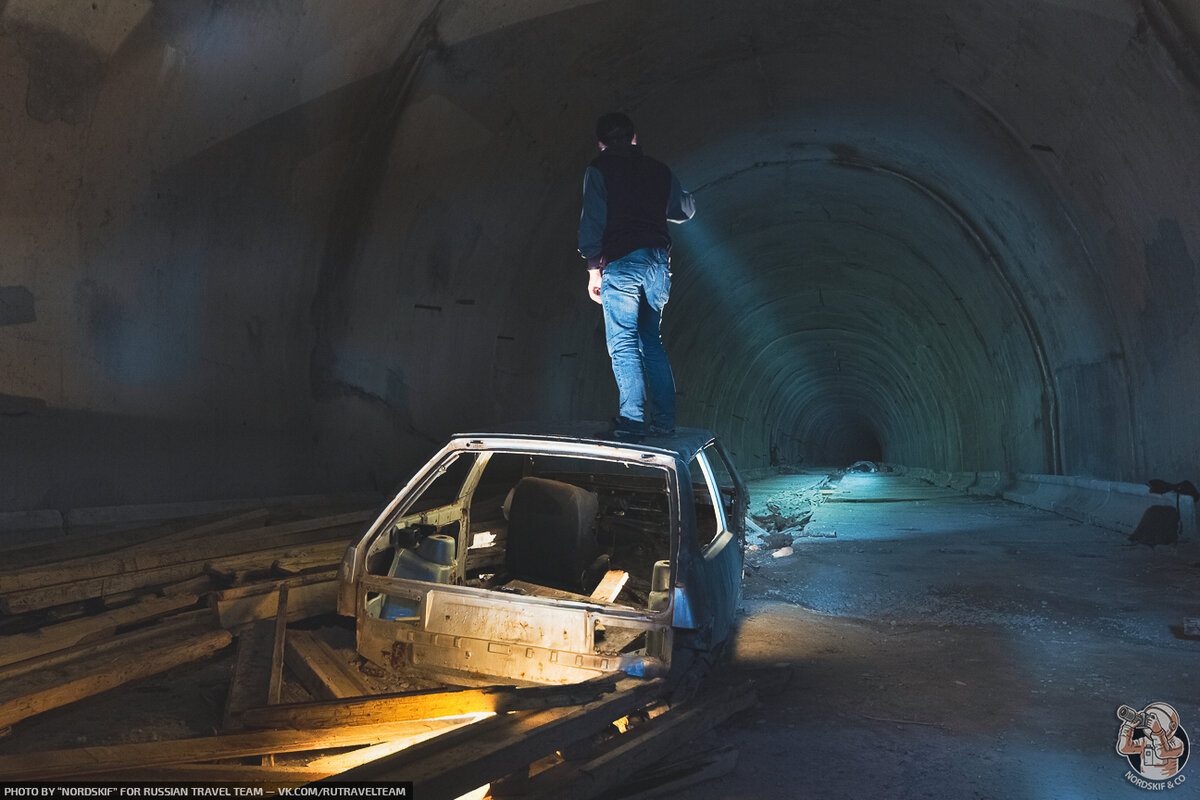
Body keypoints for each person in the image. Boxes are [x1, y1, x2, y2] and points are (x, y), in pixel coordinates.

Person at [577, 112, 695, 438]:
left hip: (623, 262)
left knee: (623, 342)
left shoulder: (598, 169)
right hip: (658, 262)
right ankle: (665, 422)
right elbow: (683, 209)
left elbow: (593, 221)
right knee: (650, 342)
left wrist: (593, 270)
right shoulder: (659, 170)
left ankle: (632, 420)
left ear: (601, 144)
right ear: (634, 138)